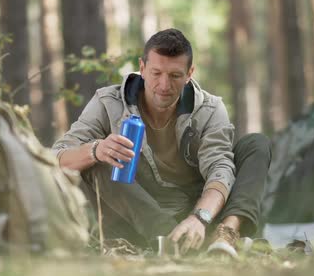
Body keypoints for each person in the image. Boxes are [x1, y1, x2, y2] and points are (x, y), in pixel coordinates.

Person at [52, 28, 271, 258]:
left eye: (175, 76)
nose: (164, 85)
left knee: (256, 144)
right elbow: (55, 157)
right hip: (136, 216)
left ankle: (225, 235)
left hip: (197, 211)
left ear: (189, 74)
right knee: (98, 160)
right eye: (156, 73)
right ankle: (173, 240)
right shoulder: (108, 102)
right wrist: (95, 150)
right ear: (143, 68)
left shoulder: (210, 109)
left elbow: (220, 169)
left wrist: (199, 218)